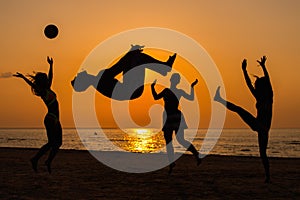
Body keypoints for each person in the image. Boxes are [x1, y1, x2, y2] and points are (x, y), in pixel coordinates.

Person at [214, 56, 273, 183]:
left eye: (258, 85)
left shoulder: (269, 97)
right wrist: (244, 71)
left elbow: (268, 81)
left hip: (262, 129)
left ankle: (268, 176)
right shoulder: (259, 96)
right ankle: (218, 99)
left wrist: (263, 67)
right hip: (257, 124)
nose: (256, 87)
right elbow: (248, 84)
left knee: (263, 153)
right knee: (239, 109)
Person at [71, 44, 177, 100]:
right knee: (136, 57)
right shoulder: (100, 80)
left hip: (131, 89)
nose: (79, 73)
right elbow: (119, 66)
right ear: (83, 80)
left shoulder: (98, 81)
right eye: (78, 76)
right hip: (132, 90)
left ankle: (163, 68)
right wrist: (130, 53)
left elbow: (121, 65)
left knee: (134, 57)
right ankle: (163, 68)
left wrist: (129, 53)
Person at [14, 57, 62, 174]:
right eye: (45, 78)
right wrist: (23, 78)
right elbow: (32, 84)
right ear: (42, 81)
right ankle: (35, 159)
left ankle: (47, 161)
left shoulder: (48, 88)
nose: (47, 78)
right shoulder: (43, 91)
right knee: (52, 143)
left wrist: (51, 65)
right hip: (50, 118)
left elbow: (51, 77)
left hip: (55, 119)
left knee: (58, 143)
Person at [151, 73, 201, 174]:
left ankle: (196, 155)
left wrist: (192, 87)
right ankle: (172, 163)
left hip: (175, 117)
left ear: (174, 81)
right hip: (169, 117)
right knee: (170, 142)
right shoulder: (167, 91)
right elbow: (156, 97)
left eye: (175, 79)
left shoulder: (175, 91)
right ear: (172, 81)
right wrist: (152, 87)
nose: (173, 81)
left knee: (179, 140)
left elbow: (190, 98)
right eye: (174, 79)